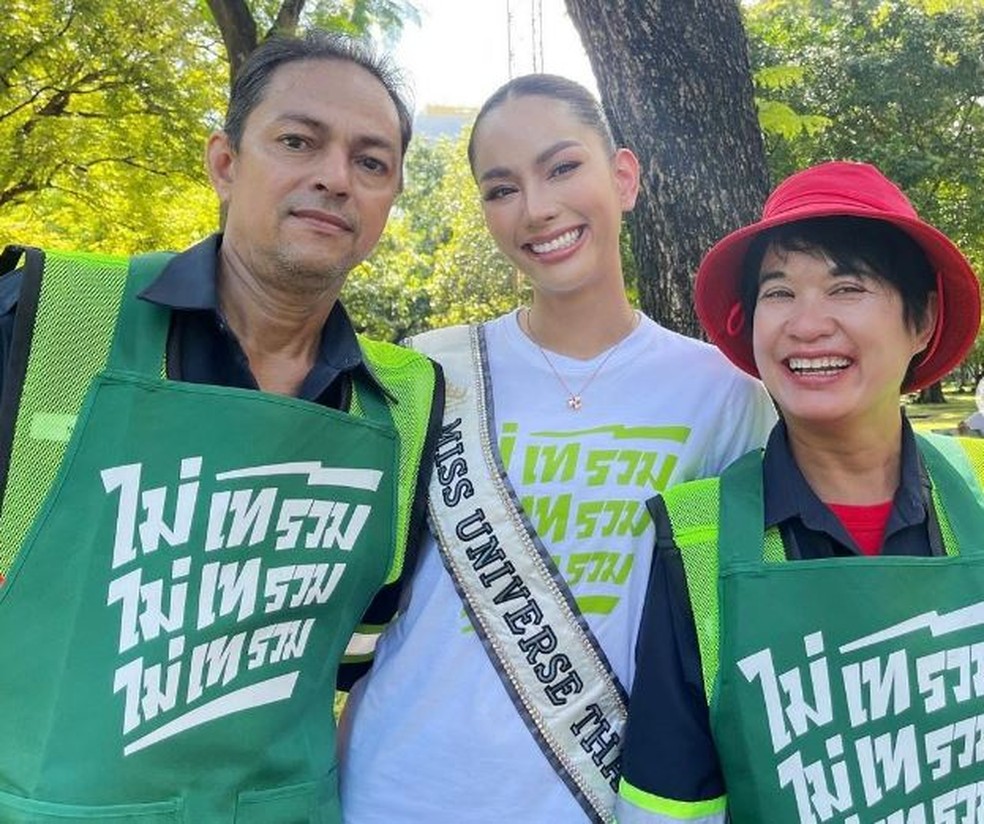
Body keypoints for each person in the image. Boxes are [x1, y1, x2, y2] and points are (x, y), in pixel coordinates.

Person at [0, 31, 444, 823]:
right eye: (298, 141)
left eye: (371, 162)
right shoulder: (45, 318)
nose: (335, 177)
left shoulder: (405, 403)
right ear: (225, 162)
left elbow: (357, 648)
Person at [338, 74, 776, 824]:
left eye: (562, 167)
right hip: (402, 789)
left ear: (624, 177)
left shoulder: (724, 394)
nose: (536, 208)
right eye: (501, 188)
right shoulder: (430, 369)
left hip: (599, 796)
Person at [616, 161, 984, 823]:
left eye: (847, 286)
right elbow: (668, 807)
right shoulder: (698, 538)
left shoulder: (977, 486)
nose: (807, 325)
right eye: (779, 291)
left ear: (923, 320)